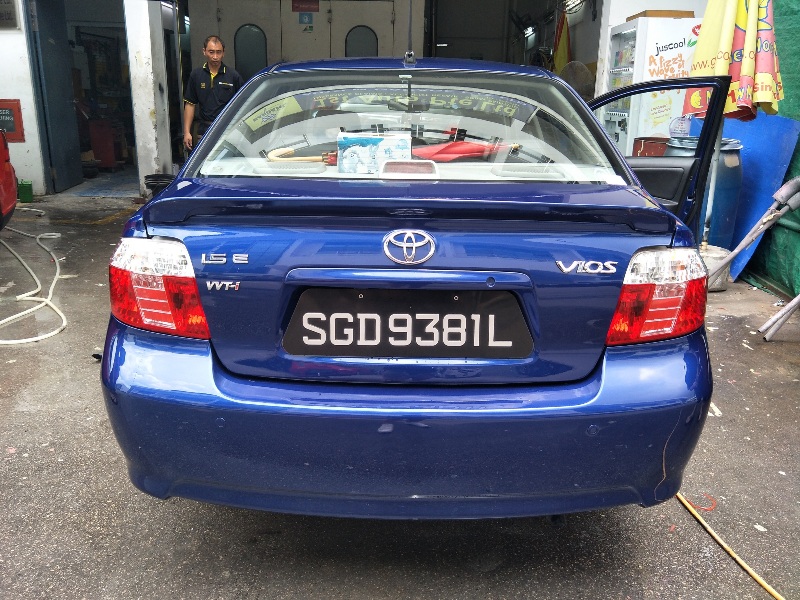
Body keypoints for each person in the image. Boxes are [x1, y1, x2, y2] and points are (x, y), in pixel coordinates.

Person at [183, 35, 244, 151]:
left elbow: (244, 104)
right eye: (211, 52)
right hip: (204, 131)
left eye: (218, 52)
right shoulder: (196, 75)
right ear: (204, 52)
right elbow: (190, 104)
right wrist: (186, 132)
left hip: (228, 131)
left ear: (223, 53)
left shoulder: (233, 76)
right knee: (205, 161)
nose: (215, 57)